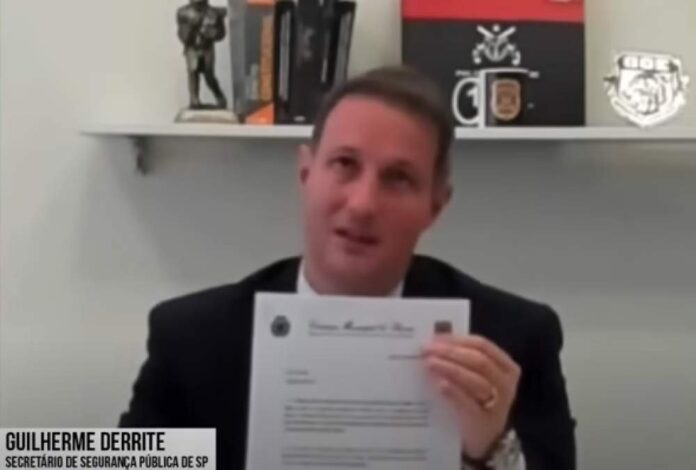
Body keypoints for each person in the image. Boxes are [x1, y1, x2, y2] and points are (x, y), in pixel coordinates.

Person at [120, 66, 576, 469]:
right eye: (344, 164)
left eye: (398, 178)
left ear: (435, 206)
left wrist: (493, 449)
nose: (362, 204)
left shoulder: (511, 340)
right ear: (306, 174)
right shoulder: (194, 337)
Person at [176, 0, 228, 109]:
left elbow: (221, 34)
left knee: (209, 76)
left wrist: (211, 33)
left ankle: (219, 96)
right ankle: (194, 99)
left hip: (207, 48)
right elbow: (182, 36)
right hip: (192, 48)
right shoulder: (183, 13)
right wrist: (191, 27)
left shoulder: (215, 13)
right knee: (193, 72)